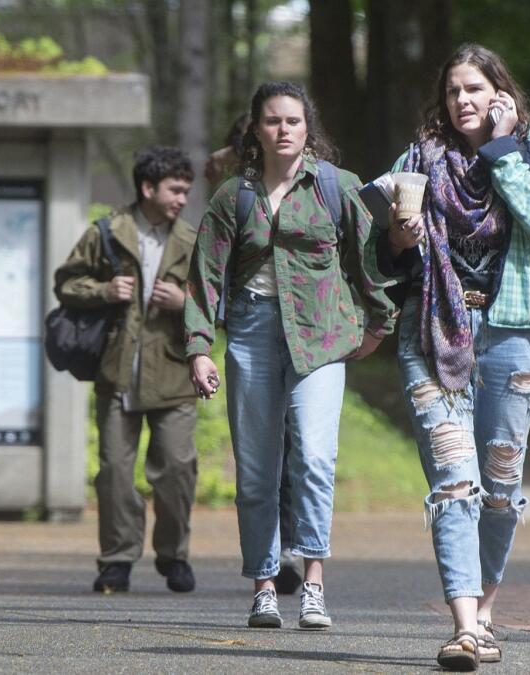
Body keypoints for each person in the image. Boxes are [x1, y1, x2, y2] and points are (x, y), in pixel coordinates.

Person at [376, 44, 530, 670]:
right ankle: (463, 626)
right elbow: (388, 254)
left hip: (513, 334)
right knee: (455, 479)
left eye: (476, 89)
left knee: (500, 488)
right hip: (431, 332)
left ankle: (485, 612)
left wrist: (504, 147)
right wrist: (399, 239)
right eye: (454, 90)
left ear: (501, 95)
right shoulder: (416, 160)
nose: (463, 100)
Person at [184, 81, 395, 630]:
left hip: (321, 333)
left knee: (315, 458)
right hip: (252, 330)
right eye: (273, 121)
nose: (283, 130)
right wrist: (199, 347)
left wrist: (378, 321)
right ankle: (264, 585)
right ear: (255, 128)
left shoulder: (336, 186)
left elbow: (366, 256)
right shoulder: (235, 195)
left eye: (293, 122)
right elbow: (205, 274)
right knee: (257, 469)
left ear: (308, 128)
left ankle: (315, 585)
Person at [55, 146, 200, 594]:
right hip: (117, 370)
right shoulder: (106, 232)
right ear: (148, 188)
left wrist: (185, 303)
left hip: (175, 373)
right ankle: (117, 560)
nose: (182, 199)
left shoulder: (193, 239)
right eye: (175, 190)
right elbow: (66, 283)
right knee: (114, 471)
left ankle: (174, 555)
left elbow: (221, 301)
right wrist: (104, 290)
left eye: (186, 191)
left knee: (177, 467)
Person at [206, 112, 306, 596]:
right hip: (248, 321)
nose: (278, 135)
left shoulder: (307, 180)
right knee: (263, 451)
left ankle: (289, 546)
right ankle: (273, 552)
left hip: (299, 328)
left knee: (297, 443)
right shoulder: (234, 188)